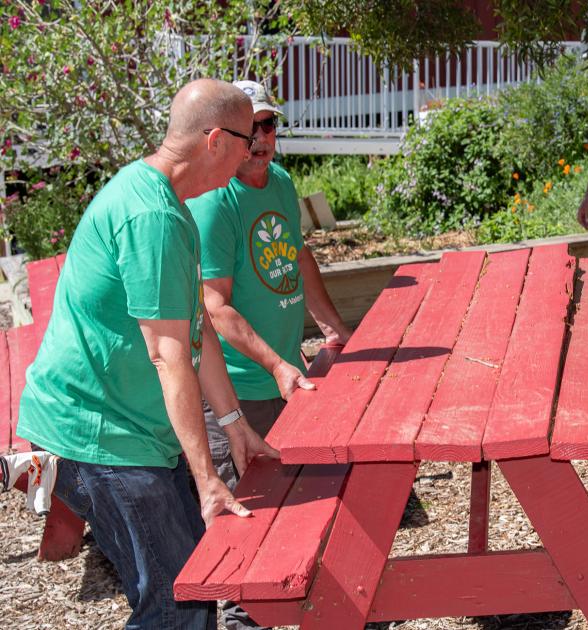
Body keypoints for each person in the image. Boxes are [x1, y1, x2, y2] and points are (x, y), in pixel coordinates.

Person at [16, 79, 279, 628]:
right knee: (176, 606)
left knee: (190, 591)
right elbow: (168, 355)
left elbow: (195, 328)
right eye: (246, 138)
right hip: (99, 439)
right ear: (214, 140)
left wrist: (233, 423)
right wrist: (206, 478)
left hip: (125, 435)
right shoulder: (152, 217)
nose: (253, 150)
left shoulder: (166, 201)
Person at [187, 80, 351, 628]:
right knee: (244, 525)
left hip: (283, 379)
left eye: (269, 125)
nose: (261, 138)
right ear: (228, 136)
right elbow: (213, 306)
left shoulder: (280, 182)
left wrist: (332, 328)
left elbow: (298, 257)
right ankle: (239, 619)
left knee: (297, 511)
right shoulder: (216, 203)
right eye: (250, 128)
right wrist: (278, 364)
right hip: (235, 392)